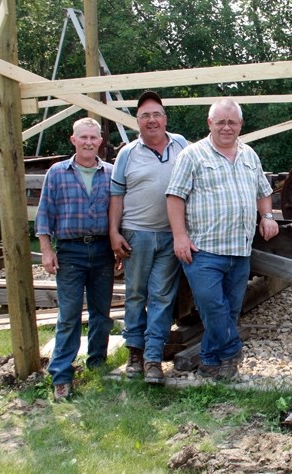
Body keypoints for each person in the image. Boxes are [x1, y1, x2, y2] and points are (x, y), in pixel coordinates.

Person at [166, 98, 279, 381]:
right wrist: (179, 236)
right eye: (221, 122)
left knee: (229, 309)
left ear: (240, 125)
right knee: (213, 305)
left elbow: (263, 192)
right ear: (209, 124)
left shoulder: (249, 155)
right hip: (203, 250)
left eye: (232, 122)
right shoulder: (192, 155)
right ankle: (231, 351)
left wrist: (267, 216)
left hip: (240, 250)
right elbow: (174, 197)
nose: (226, 127)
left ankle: (210, 361)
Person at [109, 91, 188, 385]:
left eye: (156, 114)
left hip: (171, 235)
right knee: (135, 294)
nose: (152, 120)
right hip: (136, 235)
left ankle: (154, 359)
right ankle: (135, 354)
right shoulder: (127, 153)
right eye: (145, 116)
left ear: (165, 119)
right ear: (137, 122)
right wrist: (114, 233)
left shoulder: (182, 145)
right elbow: (116, 196)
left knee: (162, 297)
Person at [35, 117, 115, 401]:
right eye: (83, 138)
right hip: (70, 251)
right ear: (73, 140)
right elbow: (44, 214)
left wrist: (117, 246)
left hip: (103, 250)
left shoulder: (110, 173)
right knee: (69, 316)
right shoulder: (57, 173)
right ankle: (61, 375)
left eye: (93, 138)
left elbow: (118, 214)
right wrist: (47, 250)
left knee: (102, 314)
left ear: (100, 142)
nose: (89, 142)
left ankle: (97, 363)